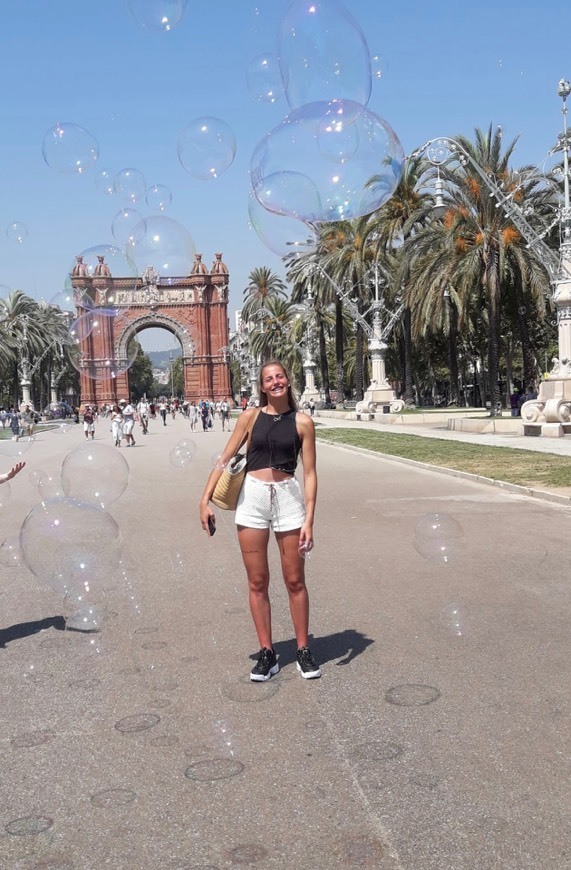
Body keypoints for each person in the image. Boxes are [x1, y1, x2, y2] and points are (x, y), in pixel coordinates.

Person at [199, 359, 320, 682]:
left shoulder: (303, 422)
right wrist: (204, 499)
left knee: (295, 580)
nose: (276, 382)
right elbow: (224, 460)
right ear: (262, 386)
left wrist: (309, 519)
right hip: (252, 499)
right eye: (269, 379)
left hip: (288, 499)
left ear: (288, 381)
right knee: (257, 581)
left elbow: (309, 474)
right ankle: (267, 652)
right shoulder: (250, 418)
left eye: (280, 376)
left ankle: (303, 650)